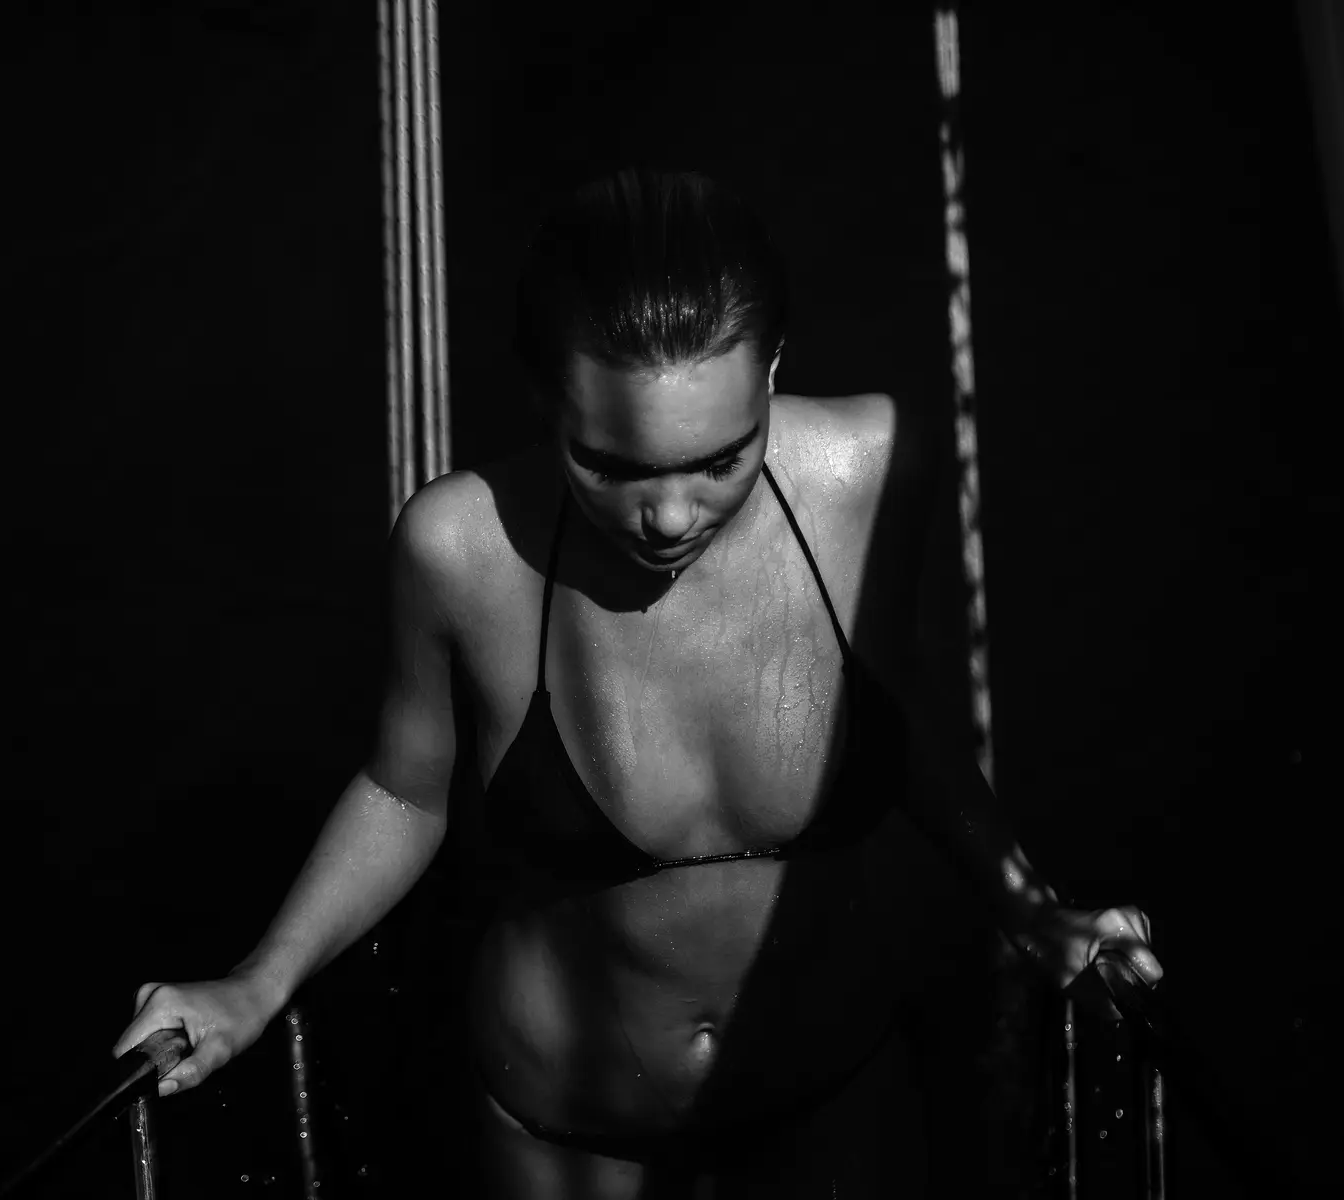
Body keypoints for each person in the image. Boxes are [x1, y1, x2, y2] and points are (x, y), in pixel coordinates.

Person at [113, 167, 1162, 1198]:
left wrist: (1034, 911)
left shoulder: (872, 469)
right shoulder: (460, 547)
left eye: (720, 461)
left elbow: (903, 713)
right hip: (567, 1135)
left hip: (831, 1103)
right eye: (610, 467)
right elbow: (403, 790)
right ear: (544, 398)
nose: (667, 517)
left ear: (772, 372)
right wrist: (257, 982)